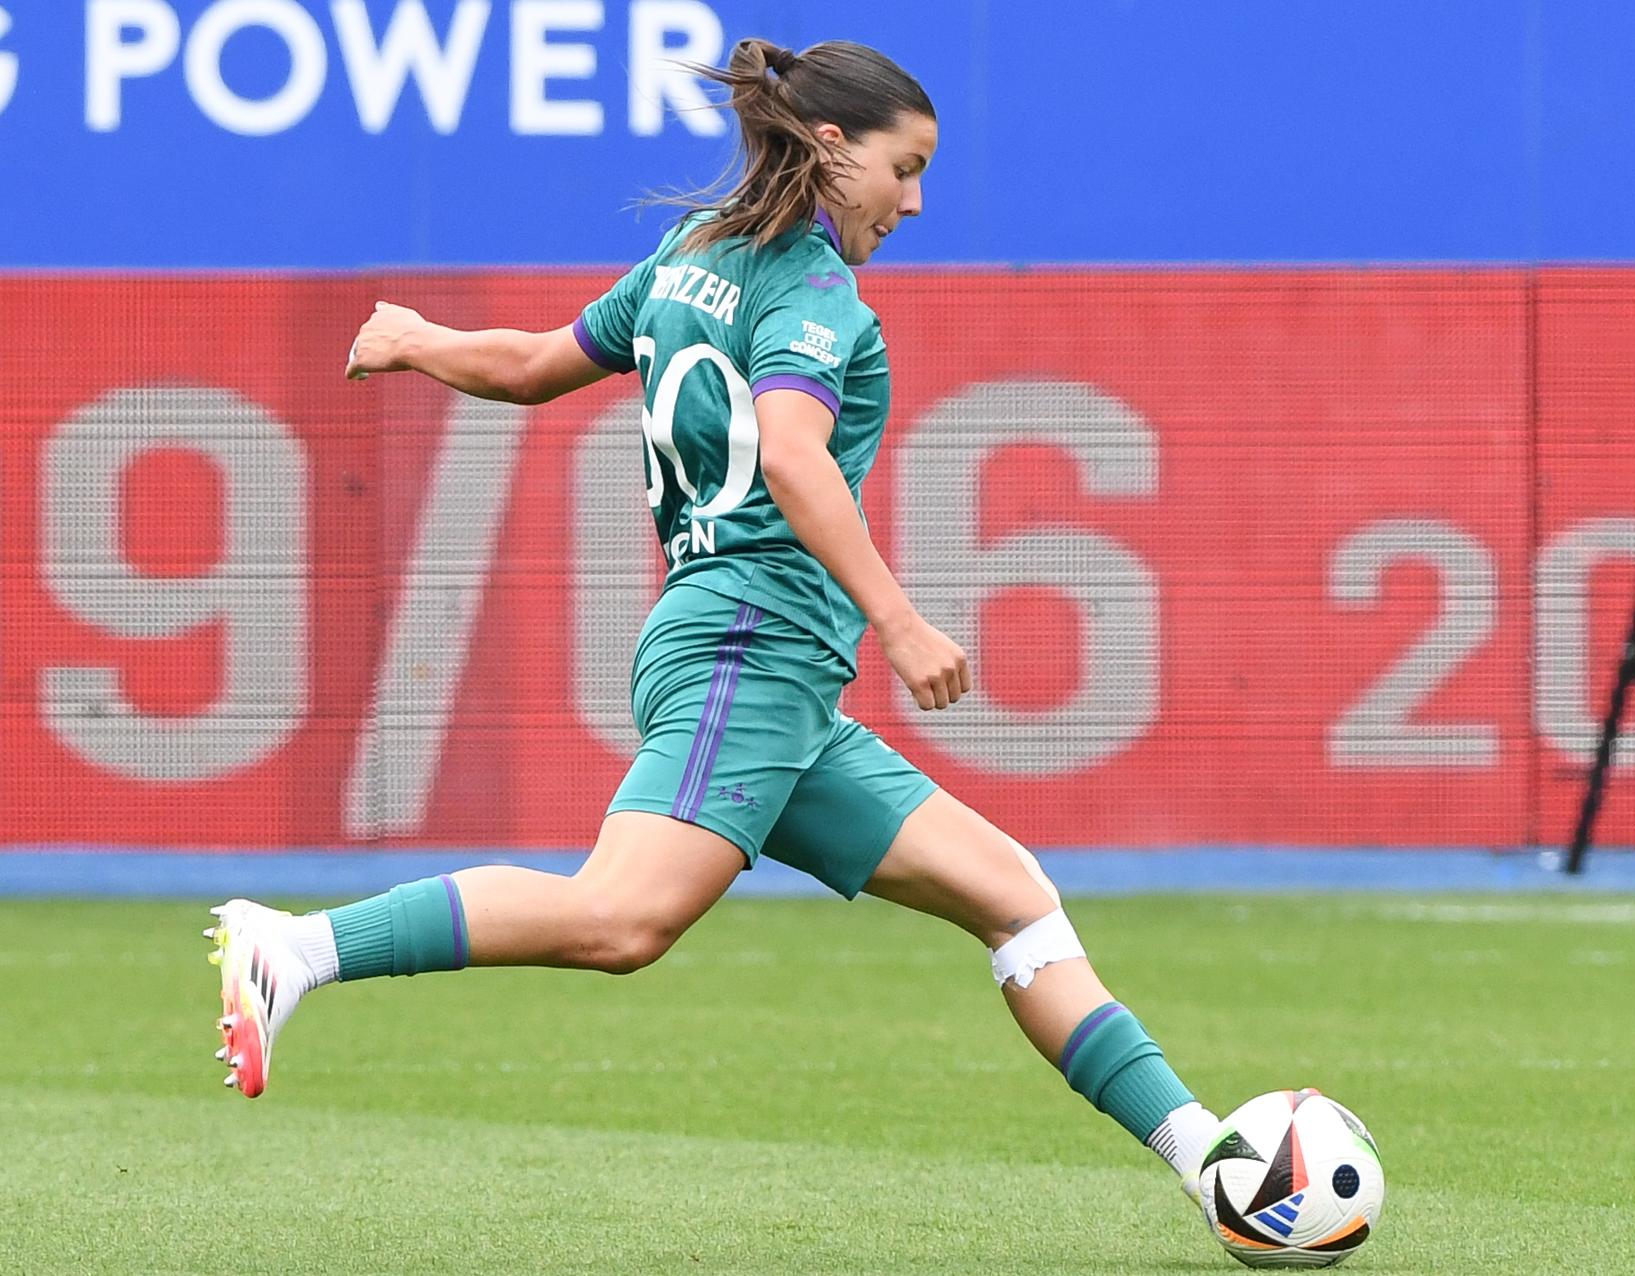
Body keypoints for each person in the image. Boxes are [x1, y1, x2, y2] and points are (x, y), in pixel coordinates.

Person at [207, 36, 1222, 1216]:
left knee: (1013, 897)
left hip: (758, 668)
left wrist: (414, 339)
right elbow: (794, 453)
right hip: (751, 646)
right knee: (618, 918)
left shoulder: (692, 253)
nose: (917, 199)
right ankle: (297, 947)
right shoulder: (810, 288)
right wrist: (897, 622)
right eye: (907, 167)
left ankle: (1212, 1162)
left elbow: (538, 363)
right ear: (834, 145)